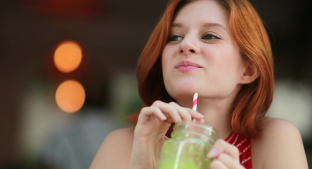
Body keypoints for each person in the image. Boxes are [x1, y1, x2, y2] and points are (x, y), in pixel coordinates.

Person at [90, 0, 309, 168]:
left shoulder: (273, 139)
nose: (186, 44)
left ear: (248, 69)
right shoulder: (124, 145)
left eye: (210, 36)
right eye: (174, 37)